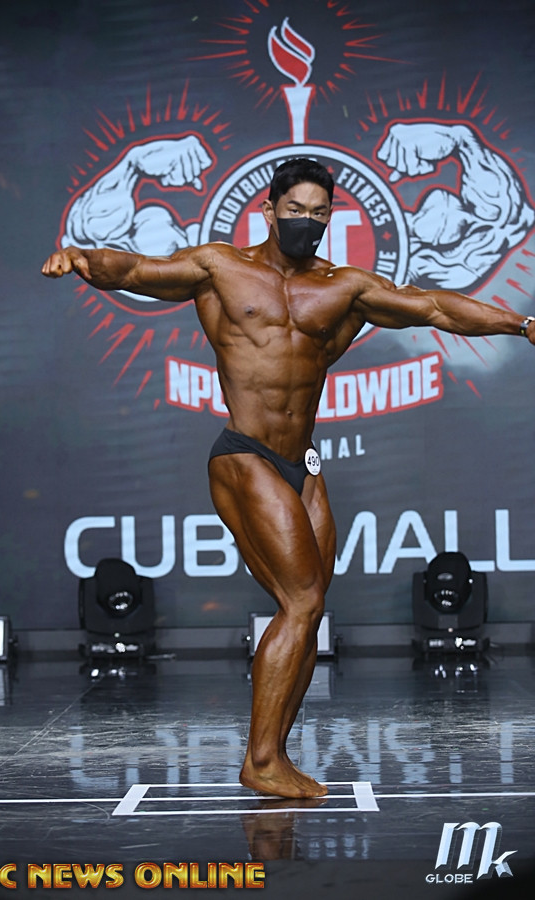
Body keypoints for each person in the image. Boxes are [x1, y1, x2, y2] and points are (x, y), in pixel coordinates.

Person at [42, 158, 535, 799]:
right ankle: (262, 761)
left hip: (302, 463)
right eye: (296, 210)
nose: (308, 221)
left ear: (332, 217)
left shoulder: (345, 287)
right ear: (269, 210)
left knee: (310, 607)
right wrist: (82, 258)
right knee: (300, 603)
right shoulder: (221, 268)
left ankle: (275, 753)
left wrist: (521, 324)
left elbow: (435, 308)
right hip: (244, 454)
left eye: (319, 212)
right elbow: (136, 271)